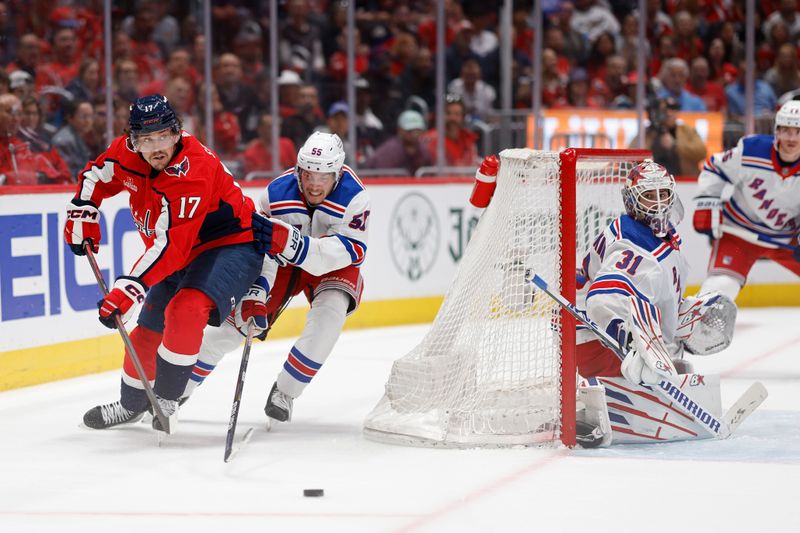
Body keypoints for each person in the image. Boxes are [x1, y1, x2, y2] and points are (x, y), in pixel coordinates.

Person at [63, 94, 264, 432]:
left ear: (177, 133)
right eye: (146, 139)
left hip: (229, 244)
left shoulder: (193, 170)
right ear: (133, 140)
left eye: (164, 137)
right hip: (180, 248)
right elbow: (96, 175)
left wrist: (129, 287)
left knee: (184, 311)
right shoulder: (125, 153)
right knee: (145, 333)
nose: (157, 148)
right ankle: (131, 406)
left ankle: (168, 399)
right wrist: (84, 209)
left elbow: (171, 245)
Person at [180, 131, 370, 425]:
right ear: (298, 170)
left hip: (332, 265)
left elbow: (352, 252)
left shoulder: (355, 198)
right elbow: (260, 251)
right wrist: (258, 290)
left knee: (330, 316)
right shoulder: (275, 195)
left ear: (337, 172)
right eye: (308, 175)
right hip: (281, 264)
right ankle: (175, 390)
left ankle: (286, 391)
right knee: (233, 327)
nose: (314, 184)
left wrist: (298, 245)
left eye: (323, 177)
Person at [693, 99, 800, 302]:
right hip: (739, 234)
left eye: (798, 131)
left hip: (787, 239)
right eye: (786, 130)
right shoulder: (752, 150)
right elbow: (714, 167)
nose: (791, 138)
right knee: (719, 289)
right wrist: (707, 205)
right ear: (776, 130)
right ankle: (697, 331)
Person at [633, 96, 706, 177]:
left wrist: (675, 145)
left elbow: (702, 152)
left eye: (673, 109)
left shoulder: (686, 131)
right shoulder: (647, 133)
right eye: (666, 110)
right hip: (650, 182)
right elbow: (631, 155)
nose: (669, 113)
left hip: (683, 180)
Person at [363, 110, 433, 175]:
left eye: (417, 130)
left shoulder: (423, 150)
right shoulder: (390, 150)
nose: (414, 134)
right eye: (409, 130)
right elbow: (384, 179)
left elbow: (431, 173)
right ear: (400, 130)